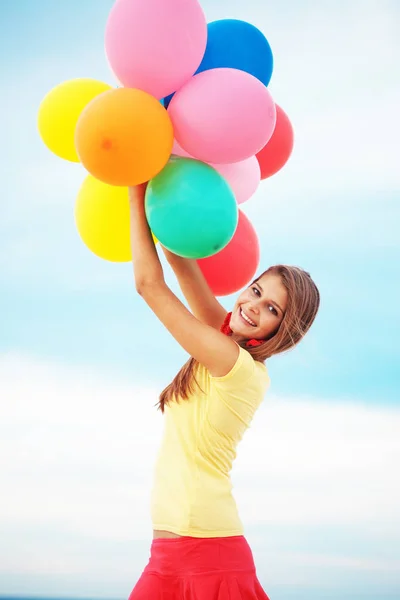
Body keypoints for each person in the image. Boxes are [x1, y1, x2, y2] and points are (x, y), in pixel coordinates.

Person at [127, 184, 320, 599]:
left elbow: (149, 285)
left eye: (273, 310)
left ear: (280, 332)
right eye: (257, 290)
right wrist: (160, 190)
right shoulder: (226, 339)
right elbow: (180, 262)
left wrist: (133, 192)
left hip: (209, 554)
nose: (254, 307)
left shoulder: (236, 367)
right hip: (167, 554)